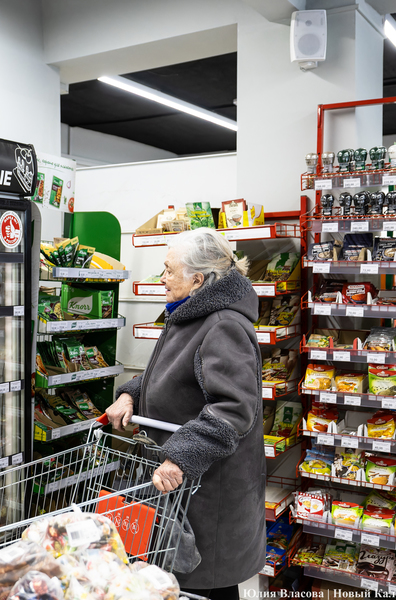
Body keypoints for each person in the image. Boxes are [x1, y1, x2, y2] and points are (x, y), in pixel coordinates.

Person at [106, 228, 265, 600]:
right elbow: (169, 373)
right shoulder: (189, 313)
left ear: (197, 279)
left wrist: (180, 457)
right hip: (180, 488)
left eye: (168, 270)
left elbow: (234, 408)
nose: (161, 278)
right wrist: (131, 394)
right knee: (178, 582)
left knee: (207, 584)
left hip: (209, 490)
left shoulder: (223, 325)